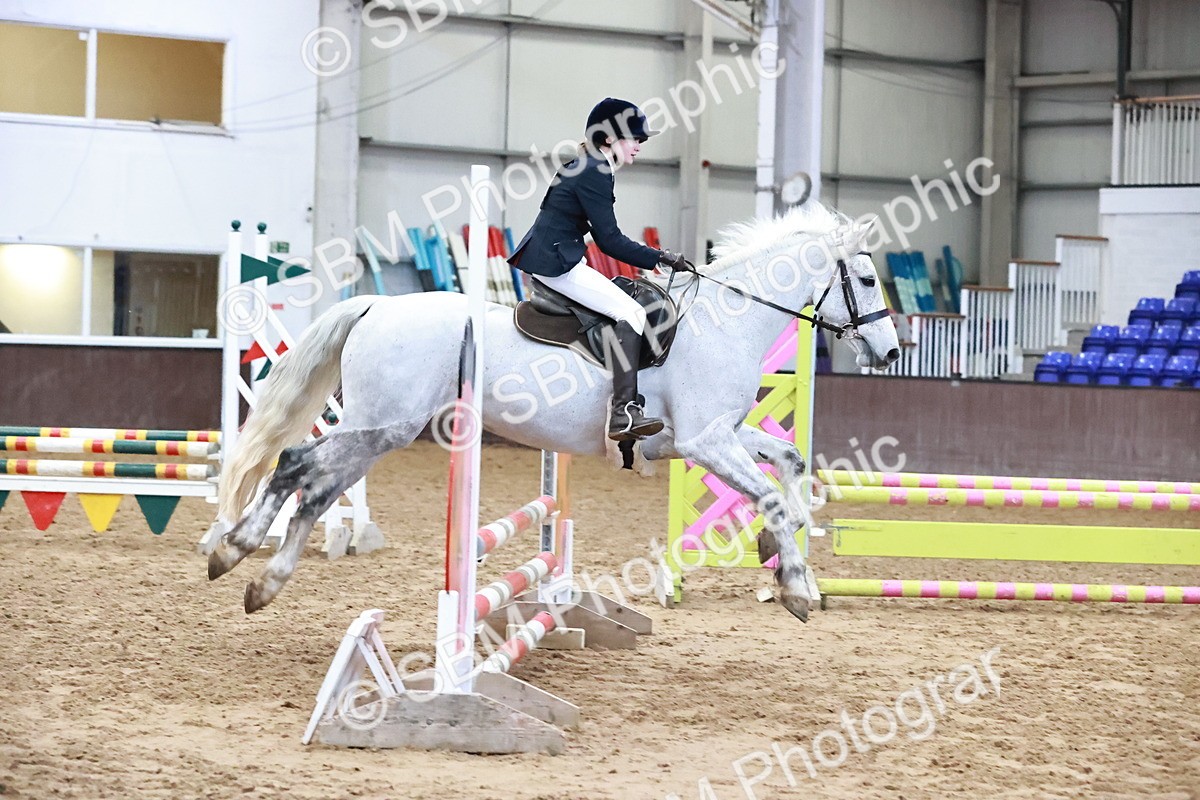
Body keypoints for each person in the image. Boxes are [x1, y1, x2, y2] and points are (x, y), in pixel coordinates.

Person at [508, 97, 691, 441]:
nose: (639, 145)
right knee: (631, 313)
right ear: (609, 138)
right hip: (556, 264)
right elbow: (609, 241)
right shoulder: (595, 170)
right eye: (634, 138)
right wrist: (660, 257)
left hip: (555, 257)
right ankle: (623, 412)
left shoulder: (590, 165)